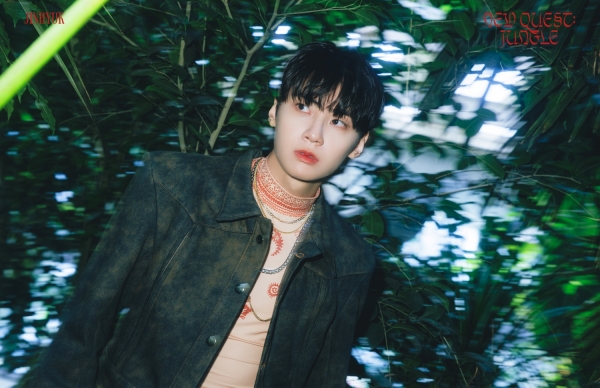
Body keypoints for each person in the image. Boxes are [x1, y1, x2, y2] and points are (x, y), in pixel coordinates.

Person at [30, 41, 385, 387]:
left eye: (338, 121)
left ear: (358, 144)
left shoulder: (350, 259)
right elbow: (86, 321)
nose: (314, 135)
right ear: (274, 111)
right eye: (303, 106)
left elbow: (325, 377)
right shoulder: (173, 184)